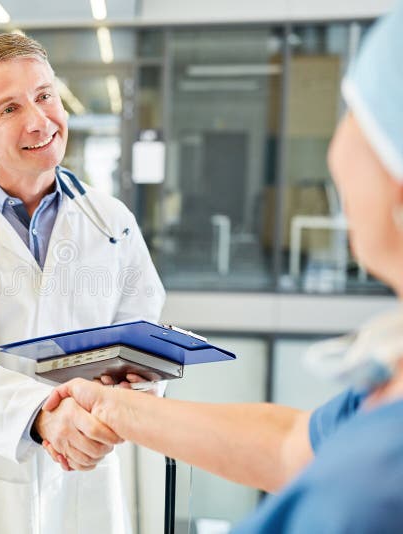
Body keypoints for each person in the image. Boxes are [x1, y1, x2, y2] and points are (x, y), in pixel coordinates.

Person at [42, 4, 403, 532]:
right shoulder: (383, 408)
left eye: (355, 112)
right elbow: (290, 444)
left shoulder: (366, 493)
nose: (336, 153)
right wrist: (117, 408)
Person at [0, 33, 165, 534]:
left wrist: (136, 387)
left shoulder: (112, 220)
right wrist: (40, 415)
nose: (38, 120)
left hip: (89, 466)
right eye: (8, 109)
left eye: (44, 95)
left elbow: (140, 333)